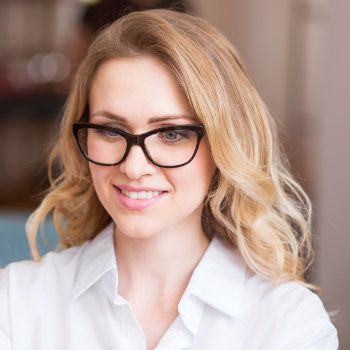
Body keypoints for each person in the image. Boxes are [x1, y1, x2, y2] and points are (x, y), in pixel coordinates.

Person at [0, 9, 338, 350]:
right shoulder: (16, 303)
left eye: (172, 134)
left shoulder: (288, 323)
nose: (133, 167)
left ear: (224, 146)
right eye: (110, 130)